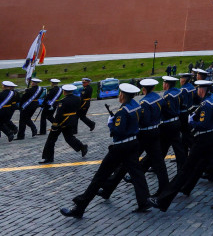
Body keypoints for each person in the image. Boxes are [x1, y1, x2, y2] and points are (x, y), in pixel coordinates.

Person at [59, 83, 151, 218]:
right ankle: (143, 202)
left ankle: (80, 207)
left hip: (120, 147)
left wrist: (111, 123)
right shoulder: (137, 106)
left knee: (99, 177)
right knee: (138, 175)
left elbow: (118, 131)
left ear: (122, 95)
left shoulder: (122, 111)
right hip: (133, 144)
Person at [150, 79, 213, 211]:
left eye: (198, 88)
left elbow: (202, 124)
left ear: (202, 90)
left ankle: (162, 200)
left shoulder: (206, 105)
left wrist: (192, 122)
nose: (197, 91)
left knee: (185, 170)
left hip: (203, 139)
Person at [102, 79, 170, 197]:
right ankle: (164, 188)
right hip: (155, 130)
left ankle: (108, 188)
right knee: (159, 163)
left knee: (127, 163)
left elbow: (143, 120)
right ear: (153, 88)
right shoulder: (158, 97)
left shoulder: (144, 102)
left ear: (144, 89)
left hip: (144, 135)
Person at [40, 84, 88, 163]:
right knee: (69, 138)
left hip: (62, 121)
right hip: (71, 121)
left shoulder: (63, 101)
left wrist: (55, 125)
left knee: (51, 140)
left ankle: (48, 157)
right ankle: (82, 147)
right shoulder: (77, 99)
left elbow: (59, 114)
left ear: (64, 92)